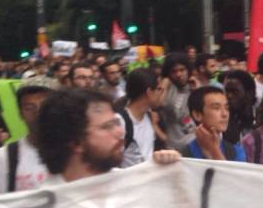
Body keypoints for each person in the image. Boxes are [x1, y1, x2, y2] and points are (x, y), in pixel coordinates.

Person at [36, 89, 179, 185]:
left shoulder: (129, 185)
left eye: (116, 123)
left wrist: (170, 174)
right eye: (106, 127)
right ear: (75, 142)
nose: (120, 132)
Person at [0, 81, 52, 196]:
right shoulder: (3, 158)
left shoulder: (80, 153)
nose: (38, 113)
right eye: (29, 107)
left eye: (46, 105)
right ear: (20, 113)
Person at [181, 86, 246, 162]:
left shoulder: (235, 152)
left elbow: (230, 174)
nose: (225, 114)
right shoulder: (182, 154)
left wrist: (214, 149)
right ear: (197, 115)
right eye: (216, 108)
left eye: (227, 108)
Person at [121, 68, 166, 163]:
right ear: (149, 92)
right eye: (159, 89)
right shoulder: (121, 122)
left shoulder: (151, 117)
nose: (161, 94)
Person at [160, 52, 196, 151]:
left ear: (188, 70)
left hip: (193, 144)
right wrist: (164, 84)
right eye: (174, 71)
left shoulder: (194, 87)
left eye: (182, 70)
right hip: (172, 146)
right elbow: (157, 105)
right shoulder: (167, 88)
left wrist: (197, 91)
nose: (179, 74)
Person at [220, 70, 256, 145]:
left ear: (249, 93)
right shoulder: (222, 118)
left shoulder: (260, 118)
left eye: (235, 92)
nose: (229, 96)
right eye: (227, 91)